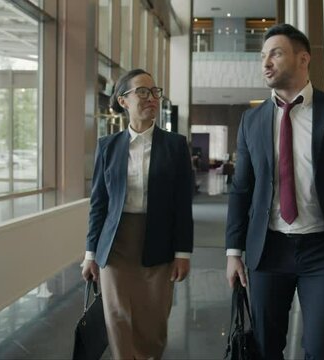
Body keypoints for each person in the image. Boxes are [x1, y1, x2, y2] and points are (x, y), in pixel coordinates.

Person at [225, 24, 324, 359]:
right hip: (267, 250)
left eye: (276, 53)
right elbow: (241, 189)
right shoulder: (251, 121)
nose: (266, 63)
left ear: (303, 59)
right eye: (263, 56)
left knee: (323, 347)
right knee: (265, 344)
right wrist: (233, 251)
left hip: (323, 250)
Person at [82, 69, 194, 359]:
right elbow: (99, 203)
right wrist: (90, 253)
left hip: (159, 239)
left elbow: (183, 203)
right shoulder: (108, 146)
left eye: (155, 92)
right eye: (142, 92)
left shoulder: (175, 145)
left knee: (153, 319)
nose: (151, 98)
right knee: (117, 317)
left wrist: (183, 252)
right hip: (116, 242)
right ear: (124, 100)